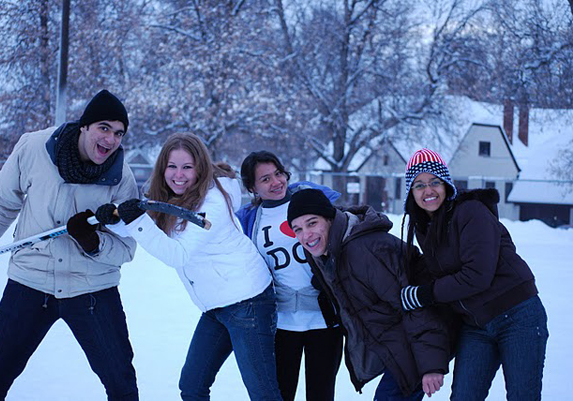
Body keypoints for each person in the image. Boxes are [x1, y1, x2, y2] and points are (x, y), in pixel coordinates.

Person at [0, 89, 140, 400]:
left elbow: (127, 248)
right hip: (30, 282)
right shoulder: (34, 147)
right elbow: (4, 196)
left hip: (91, 288)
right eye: (104, 127)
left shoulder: (121, 178)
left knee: (122, 385)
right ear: (84, 126)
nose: (111, 139)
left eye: (119, 133)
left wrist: (93, 242)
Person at [94, 133, 282, 401]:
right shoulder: (172, 197)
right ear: (162, 168)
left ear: (200, 168)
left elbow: (176, 253)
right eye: (172, 166)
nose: (178, 175)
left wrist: (137, 222)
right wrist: (114, 220)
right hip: (216, 304)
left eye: (187, 167)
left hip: (248, 302)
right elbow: (151, 227)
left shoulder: (213, 202)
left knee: (262, 393)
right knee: (192, 386)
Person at [399, 148, 548, 400]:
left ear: (446, 184)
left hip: (518, 315)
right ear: (411, 194)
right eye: (419, 185)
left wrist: (425, 295)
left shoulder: (471, 212)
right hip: (476, 325)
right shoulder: (425, 228)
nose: (428, 190)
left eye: (435, 182)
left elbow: (477, 275)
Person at [287, 188, 451, 400]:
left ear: (329, 218)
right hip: (399, 344)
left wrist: (430, 364)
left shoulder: (363, 251)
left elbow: (413, 304)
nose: (306, 235)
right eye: (297, 229)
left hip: (418, 343)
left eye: (312, 223)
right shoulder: (327, 253)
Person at [236, 151, 343, 401]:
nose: (276, 182)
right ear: (252, 187)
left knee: (321, 395)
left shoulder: (310, 201)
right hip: (281, 323)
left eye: (278, 173)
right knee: (281, 395)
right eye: (265, 179)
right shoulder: (248, 220)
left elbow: (341, 237)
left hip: (325, 320)